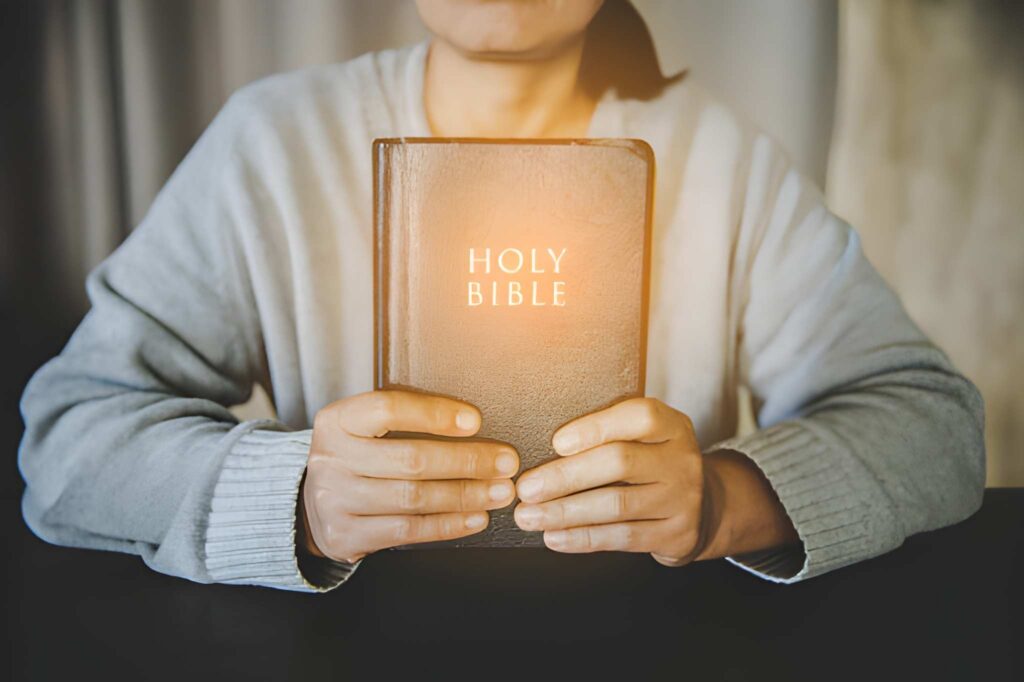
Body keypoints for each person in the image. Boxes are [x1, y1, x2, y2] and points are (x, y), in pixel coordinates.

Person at [17, 0, 985, 592]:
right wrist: (301, 498)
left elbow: (938, 426)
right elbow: (66, 445)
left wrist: (722, 503)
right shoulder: (271, 147)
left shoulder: (718, 163)